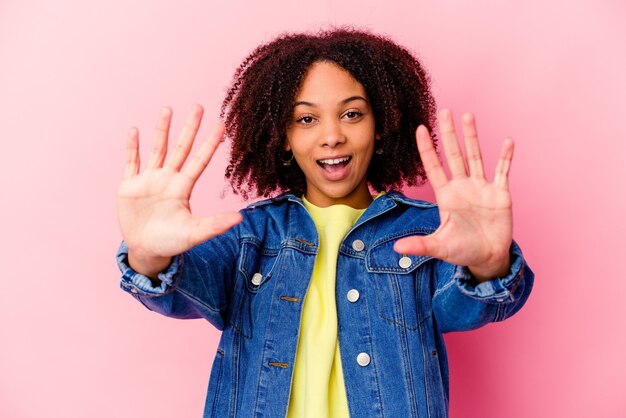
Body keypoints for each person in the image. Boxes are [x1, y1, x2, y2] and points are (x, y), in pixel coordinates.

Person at [116, 28, 533, 418]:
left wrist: (488, 265)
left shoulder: (427, 233)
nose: (332, 135)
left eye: (352, 114)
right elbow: (177, 289)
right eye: (306, 119)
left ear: (382, 126)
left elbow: (466, 308)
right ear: (282, 136)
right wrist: (148, 254)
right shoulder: (249, 236)